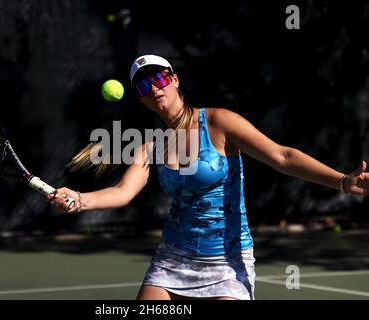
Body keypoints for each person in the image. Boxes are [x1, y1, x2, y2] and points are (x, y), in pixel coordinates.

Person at [48, 54, 369, 300]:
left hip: (228, 259)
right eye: (144, 86)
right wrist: (78, 199)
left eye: (159, 78)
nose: (155, 87)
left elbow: (282, 157)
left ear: (174, 79)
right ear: (141, 99)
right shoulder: (151, 146)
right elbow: (122, 192)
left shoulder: (218, 122)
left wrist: (342, 181)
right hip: (172, 259)